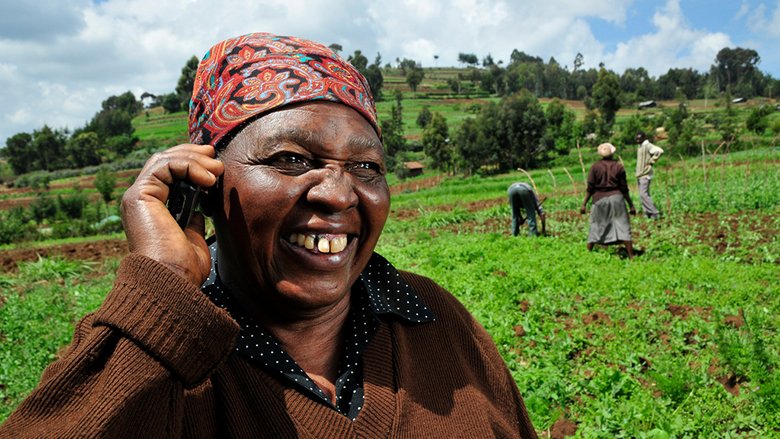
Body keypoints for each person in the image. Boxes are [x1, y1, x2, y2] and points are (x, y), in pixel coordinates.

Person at [0, 33, 537, 438]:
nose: (339, 194)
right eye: (291, 159)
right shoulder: (156, 361)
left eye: (366, 167)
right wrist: (162, 294)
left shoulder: (437, 320)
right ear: (203, 184)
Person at [580, 142, 637, 258]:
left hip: (599, 199)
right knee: (622, 225)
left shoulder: (595, 167)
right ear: (612, 154)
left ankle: (588, 253)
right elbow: (624, 188)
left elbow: (590, 188)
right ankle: (631, 255)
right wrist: (631, 205)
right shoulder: (618, 166)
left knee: (596, 225)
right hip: (617, 198)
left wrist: (584, 204)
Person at [635, 131, 664, 219]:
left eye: (639, 138)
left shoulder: (647, 145)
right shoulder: (640, 146)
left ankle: (654, 212)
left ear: (644, 138)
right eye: (637, 139)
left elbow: (659, 151)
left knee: (643, 194)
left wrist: (651, 161)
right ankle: (647, 212)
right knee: (643, 194)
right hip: (640, 174)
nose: (638, 140)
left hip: (645, 174)